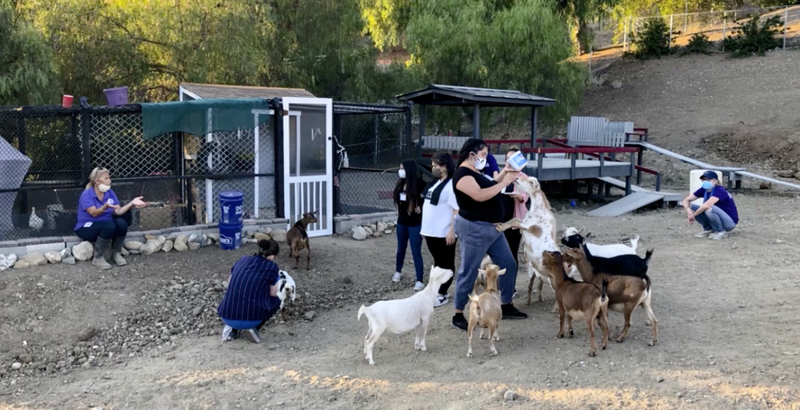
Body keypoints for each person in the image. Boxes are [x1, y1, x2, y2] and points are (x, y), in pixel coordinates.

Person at [451, 138, 527, 331]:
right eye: (483, 154)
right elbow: (480, 195)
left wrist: (505, 172)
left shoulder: (475, 172)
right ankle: (458, 312)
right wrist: (506, 182)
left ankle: (506, 304)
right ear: (472, 154)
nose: (485, 158)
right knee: (469, 269)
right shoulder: (462, 175)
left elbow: (490, 184)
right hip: (474, 228)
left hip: (493, 228)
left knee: (508, 263)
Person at [74, 167, 147, 270]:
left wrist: (132, 203)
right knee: (109, 225)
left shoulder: (110, 193)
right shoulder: (87, 195)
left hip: (105, 224)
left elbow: (118, 211)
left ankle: (116, 253)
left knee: (121, 223)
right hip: (86, 226)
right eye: (106, 178)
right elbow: (94, 213)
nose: (110, 181)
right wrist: (104, 207)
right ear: (97, 181)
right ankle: (98, 257)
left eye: (109, 178)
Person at [217, 239, 283, 344]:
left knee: (237, 293)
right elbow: (272, 294)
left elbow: (229, 284)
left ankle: (232, 330)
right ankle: (254, 329)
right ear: (272, 256)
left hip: (226, 315)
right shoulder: (272, 267)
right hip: (252, 319)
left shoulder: (243, 259)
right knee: (276, 300)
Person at [420, 153, 459, 307]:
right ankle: (438, 290)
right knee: (437, 263)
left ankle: (442, 292)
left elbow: (456, 210)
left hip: (444, 232)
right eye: (433, 165)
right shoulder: (435, 182)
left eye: (436, 165)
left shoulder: (452, 185)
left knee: (446, 263)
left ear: (445, 166)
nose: (433, 168)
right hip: (431, 231)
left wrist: (452, 231)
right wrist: (424, 228)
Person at [393, 159, 427, 290]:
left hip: (414, 223)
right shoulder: (400, 184)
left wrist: (422, 207)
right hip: (402, 222)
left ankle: (419, 279)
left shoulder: (420, 184)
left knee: (415, 251)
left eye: (402, 168)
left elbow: (429, 197)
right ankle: (398, 271)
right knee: (400, 248)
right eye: (399, 168)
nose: (400, 171)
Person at [681, 171, 739, 240]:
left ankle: (720, 231)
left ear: (715, 181)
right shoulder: (704, 189)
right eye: (703, 180)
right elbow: (686, 200)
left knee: (709, 208)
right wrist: (689, 211)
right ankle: (708, 229)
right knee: (691, 206)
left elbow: (706, 205)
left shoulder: (720, 190)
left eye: (707, 180)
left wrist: (693, 215)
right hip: (717, 216)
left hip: (729, 222)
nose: (704, 182)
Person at [500, 147, 530, 266]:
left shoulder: (523, 177)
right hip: (500, 219)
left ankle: (511, 283)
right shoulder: (502, 174)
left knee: (512, 252)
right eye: (508, 159)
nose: (510, 162)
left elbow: (525, 196)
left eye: (513, 159)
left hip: (514, 221)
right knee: (499, 253)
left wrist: (518, 197)